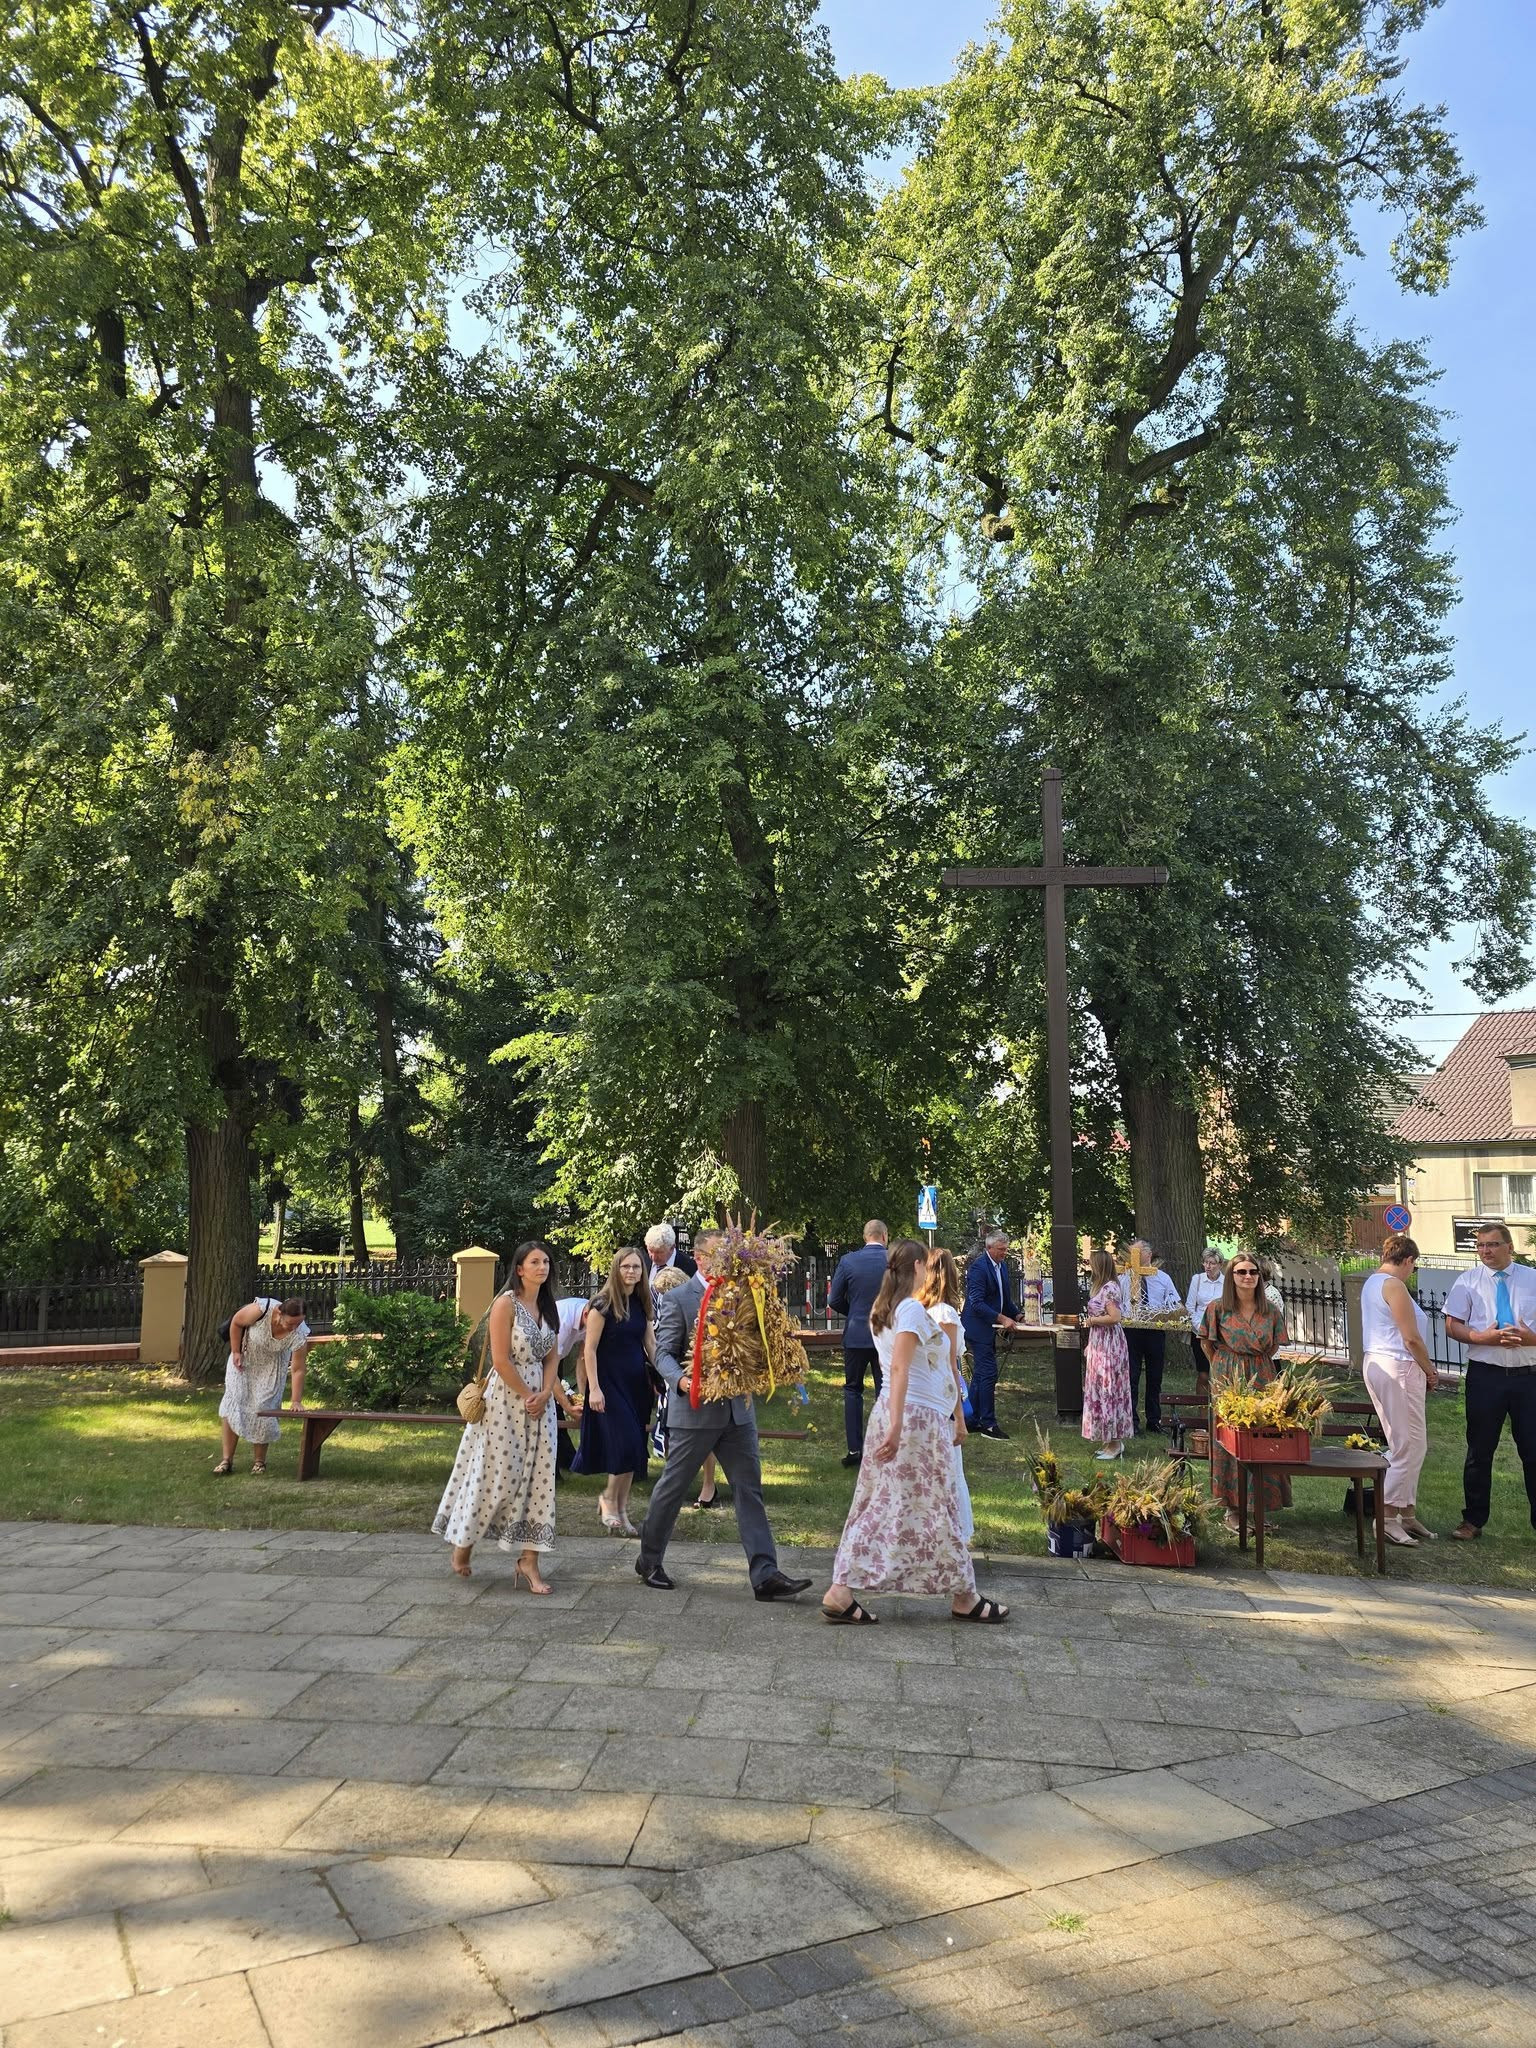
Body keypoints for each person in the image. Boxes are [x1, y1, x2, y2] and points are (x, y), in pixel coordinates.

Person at [823, 1240, 1007, 1625]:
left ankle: (844, 1589)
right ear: (919, 1265)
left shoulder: (885, 1308)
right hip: (915, 1421)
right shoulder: (908, 1309)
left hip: (905, 1415)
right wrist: (896, 1427)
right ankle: (964, 1596)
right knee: (937, 1503)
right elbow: (900, 1369)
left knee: (883, 1502)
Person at [634, 1229, 813, 1601]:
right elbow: (662, 1353)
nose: (727, 1262)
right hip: (694, 1412)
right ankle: (649, 1560)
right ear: (699, 1257)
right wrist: (683, 1382)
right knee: (672, 1488)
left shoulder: (745, 1293)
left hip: (738, 1413)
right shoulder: (680, 1298)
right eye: (719, 1255)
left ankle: (766, 1575)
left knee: (749, 1491)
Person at [433, 1241, 562, 1586]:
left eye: (546, 1261)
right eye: (535, 1262)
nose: (542, 1267)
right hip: (506, 1400)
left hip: (541, 1403)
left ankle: (530, 1562)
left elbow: (553, 1357)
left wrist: (545, 1393)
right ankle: (464, 1542)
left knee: (540, 1481)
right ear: (519, 1269)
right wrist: (528, 1395)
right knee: (497, 1475)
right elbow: (501, 1360)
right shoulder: (506, 1304)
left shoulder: (548, 1306)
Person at [1444, 1222, 1536, 1541]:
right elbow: (1452, 1325)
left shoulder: (1532, 1279)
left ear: (1509, 1247)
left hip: (1529, 1378)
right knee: (1479, 1450)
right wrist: (1480, 1337)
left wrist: (1531, 1339)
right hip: (1486, 1376)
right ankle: (1472, 1520)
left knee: (1533, 1451)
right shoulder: (1468, 1281)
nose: (1486, 1251)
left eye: (1493, 1244)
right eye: (1481, 1245)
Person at [1202, 1252, 1290, 1538]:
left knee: (1262, 1439)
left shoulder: (1270, 1311)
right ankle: (1232, 1509)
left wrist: (1255, 1363)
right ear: (1231, 1276)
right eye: (1241, 1272)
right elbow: (1206, 1343)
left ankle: (1258, 1507)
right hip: (1228, 1377)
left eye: (1253, 1272)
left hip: (1262, 1375)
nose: (1248, 1276)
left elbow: (1274, 1346)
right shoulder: (1218, 1309)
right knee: (1231, 1439)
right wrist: (1225, 1366)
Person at [1360, 1233, 1438, 1547]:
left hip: (1382, 1362)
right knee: (1405, 1445)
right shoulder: (1394, 1285)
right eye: (1413, 1266)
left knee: (1415, 1444)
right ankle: (1387, 1515)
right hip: (1399, 1366)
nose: (1412, 1272)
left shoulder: (1372, 1283)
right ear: (1408, 1260)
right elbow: (1411, 1338)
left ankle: (1407, 1512)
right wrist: (1430, 1370)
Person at [573, 1248, 655, 1535]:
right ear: (616, 1269)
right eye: (626, 1266)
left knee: (634, 1449)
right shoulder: (602, 1304)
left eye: (636, 1267)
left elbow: (651, 1345)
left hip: (636, 1386)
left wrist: (670, 1376)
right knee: (626, 1443)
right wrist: (594, 1389)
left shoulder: (642, 1302)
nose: (631, 1271)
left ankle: (621, 1509)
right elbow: (589, 1350)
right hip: (608, 1385)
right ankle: (608, 1498)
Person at [215, 1296, 310, 1475]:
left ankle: (259, 1462)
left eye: (299, 1323)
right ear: (279, 1313)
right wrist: (235, 1352)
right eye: (291, 1323)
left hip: (271, 1369)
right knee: (234, 1402)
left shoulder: (299, 1334)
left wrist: (296, 1400)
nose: (294, 1327)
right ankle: (226, 1460)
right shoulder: (261, 1309)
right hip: (244, 1360)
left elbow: (298, 1369)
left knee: (263, 1407)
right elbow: (237, 1322)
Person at [919, 1248, 973, 1542]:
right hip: (942, 1398)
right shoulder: (945, 1313)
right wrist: (960, 1417)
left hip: (924, 1395)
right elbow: (951, 1365)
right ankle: (949, 1536)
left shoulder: (919, 1309)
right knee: (948, 1470)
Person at [828, 1220, 890, 1467]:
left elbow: (834, 1299)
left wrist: (853, 1312)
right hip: (885, 1333)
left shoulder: (848, 1261)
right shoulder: (893, 1260)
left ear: (865, 1237)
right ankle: (884, 1445)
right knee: (885, 1390)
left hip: (856, 1334)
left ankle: (855, 1449)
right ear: (884, 1236)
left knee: (853, 1390)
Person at [961, 1228, 1019, 1439]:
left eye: (1006, 1249)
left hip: (989, 1327)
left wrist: (1017, 1315)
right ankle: (988, 1424)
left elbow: (1004, 1298)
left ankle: (971, 1419)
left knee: (981, 1374)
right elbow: (977, 1303)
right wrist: (1002, 1319)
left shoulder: (1001, 1266)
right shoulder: (978, 1268)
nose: (1004, 1253)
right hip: (977, 1328)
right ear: (989, 1248)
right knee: (988, 1373)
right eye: (1001, 1249)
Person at [1122, 1239, 1182, 1435]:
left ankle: (1154, 1420)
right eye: (1131, 1253)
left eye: (1137, 1253)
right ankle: (1131, 1421)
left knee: (1155, 1377)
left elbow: (1174, 1302)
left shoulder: (1162, 1278)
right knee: (1131, 1376)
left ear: (1148, 1254)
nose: (1133, 1257)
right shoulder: (1124, 1277)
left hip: (1155, 1331)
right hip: (1131, 1331)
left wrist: (1175, 1315)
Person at [1082, 1248, 1132, 1461]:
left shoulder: (1110, 1287)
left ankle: (1115, 1443)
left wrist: (1092, 1320)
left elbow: (1115, 1317)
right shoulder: (1101, 1287)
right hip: (1099, 1341)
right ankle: (1107, 1439)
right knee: (1099, 1389)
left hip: (1109, 1344)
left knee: (1109, 1389)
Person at [1185, 1248, 1225, 1395]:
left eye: (1212, 1263)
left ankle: (1219, 1404)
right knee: (1204, 1373)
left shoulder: (1226, 1282)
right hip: (1200, 1332)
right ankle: (1201, 1405)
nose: (1208, 1266)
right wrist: (1201, 1327)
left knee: (1220, 1373)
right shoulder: (1198, 1279)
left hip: (1221, 1333)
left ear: (1220, 1265)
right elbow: (1190, 1307)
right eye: (1206, 1262)